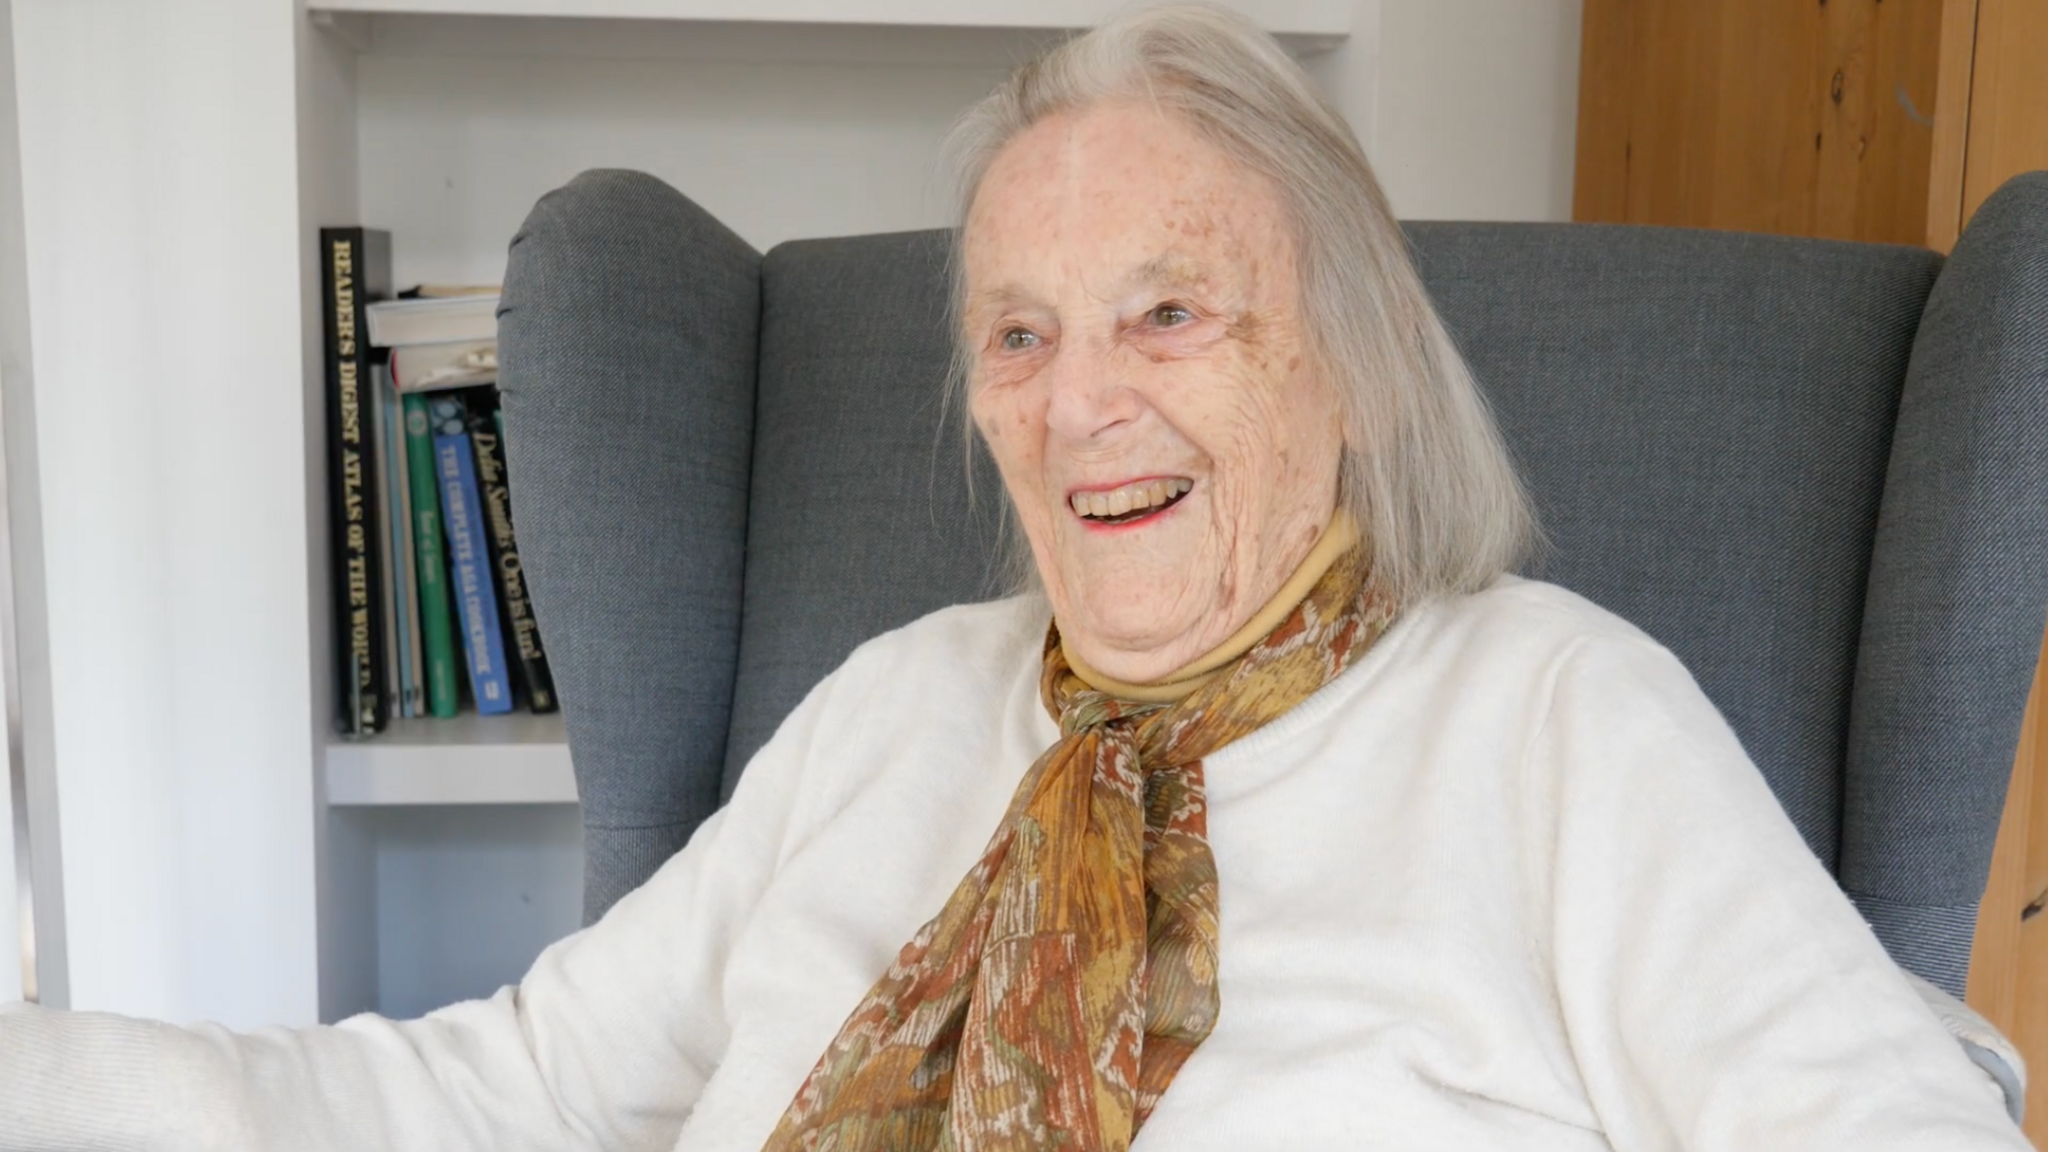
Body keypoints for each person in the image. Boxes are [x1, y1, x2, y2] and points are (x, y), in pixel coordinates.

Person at [0, 4, 2029, 1150]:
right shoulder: (898, 704)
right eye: (1020, 333)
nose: (1080, 408)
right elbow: (496, 1088)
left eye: (1167, 314)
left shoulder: (1551, 720)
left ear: (1337, 356)